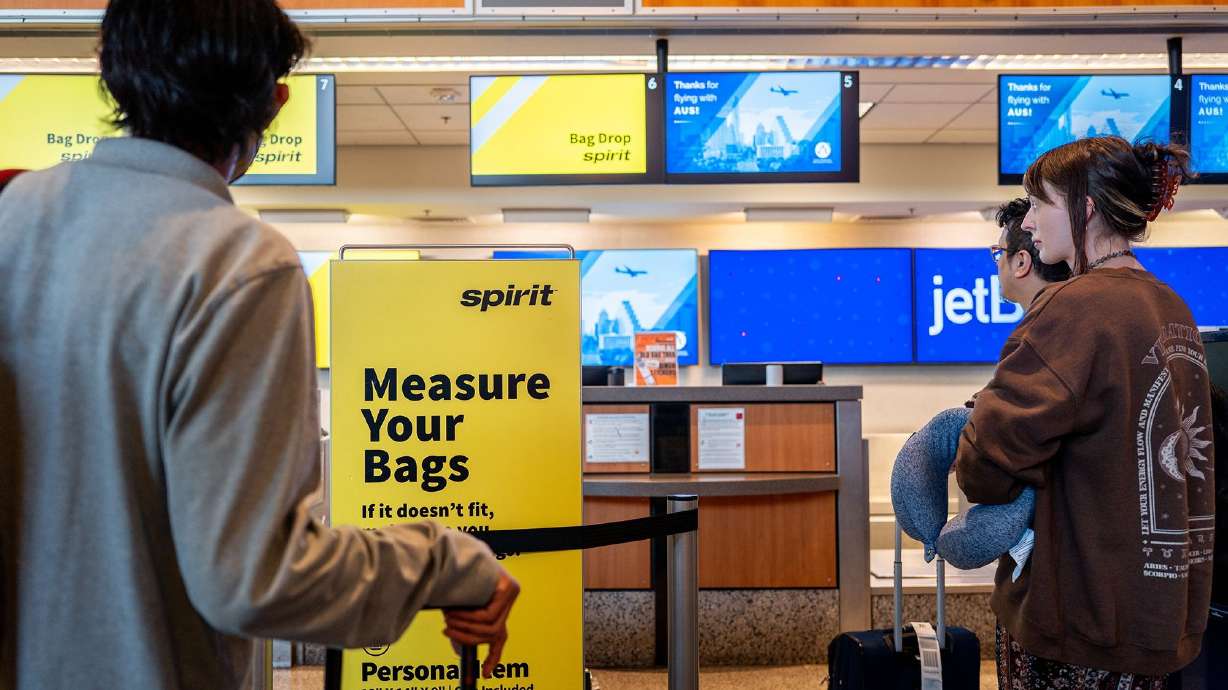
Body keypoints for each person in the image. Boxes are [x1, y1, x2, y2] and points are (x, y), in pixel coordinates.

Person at [0, 1, 515, 688]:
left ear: (111, 78)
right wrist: (448, 563)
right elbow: (254, 580)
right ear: (273, 105)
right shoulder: (239, 262)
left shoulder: (11, 218)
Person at [954, 136, 1214, 689]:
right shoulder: (1172, 306)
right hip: (1155, 616)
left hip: (1077, 620)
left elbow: (987, 464)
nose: (1031, 222)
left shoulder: (1075, 308)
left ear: (1085, 207)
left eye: (1040, 204)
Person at [991, 197, 1072, 308]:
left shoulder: (1042, 324)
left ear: (1021, 262)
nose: (998, 263)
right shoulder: (1078, 315)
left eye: (1000, 252)